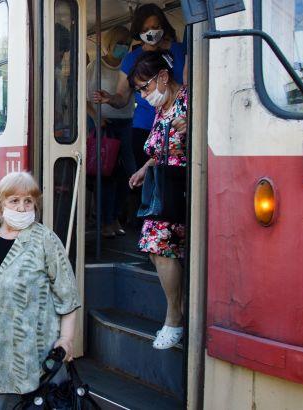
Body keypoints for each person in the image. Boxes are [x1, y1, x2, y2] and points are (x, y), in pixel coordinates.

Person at [0, 172, 81, 410]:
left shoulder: (45, 240)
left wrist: (66, 340)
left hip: (38, 359)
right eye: (14, 200)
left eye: (28, 201)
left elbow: (67, 296)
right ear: (1, 203)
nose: (22, 207)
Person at [127, 51, 188, 350]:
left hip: (183, 188)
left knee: (158, 246)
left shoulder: (188, 100)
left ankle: (174, 319)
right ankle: (179, 307)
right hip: (161, 187)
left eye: (144, 87)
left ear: (163, 77)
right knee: (154, 251)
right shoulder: (161, 108)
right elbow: (158, 151)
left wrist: (189, 129)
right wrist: (142, 169)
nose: (143, 94)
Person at [92, 3, 187, 170]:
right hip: (144, 127)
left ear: (163, 26)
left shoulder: (182, 51)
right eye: (145, 29)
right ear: (138, 31)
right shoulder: (131, 59)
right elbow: (122, 97)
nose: (151, 32)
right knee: (146, 179)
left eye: (155, 27)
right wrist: (110, 99)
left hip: (178, 126)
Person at [87, 26, 135, 238]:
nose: (123, 48)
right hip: (103, 125)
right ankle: (104, 220)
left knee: (127, 174)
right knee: (106, 176)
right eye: (120, 43)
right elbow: (84, 97)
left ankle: (115, 217)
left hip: (126, 123)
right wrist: (97, 119)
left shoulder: (129, 65)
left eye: (127, 44)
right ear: (110, 44)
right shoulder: (96, 66)